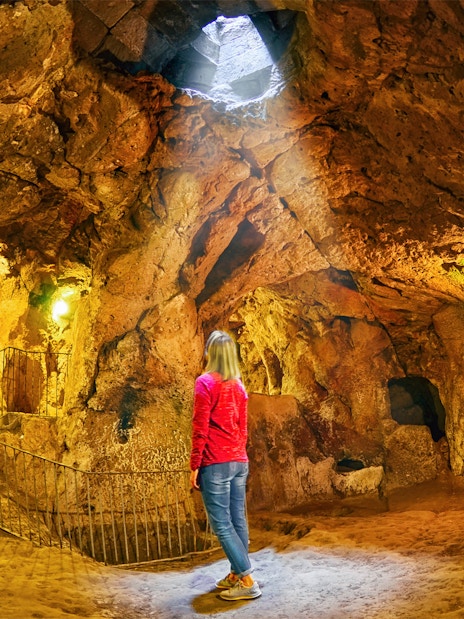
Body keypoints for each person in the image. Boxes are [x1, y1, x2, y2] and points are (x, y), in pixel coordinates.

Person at [190, 330, 261, 601]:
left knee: (221, 524)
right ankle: (235, 574)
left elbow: (201, 427)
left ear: (210, 353)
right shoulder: (239, 386)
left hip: (215, 461)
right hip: (238, 461)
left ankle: (247, 579)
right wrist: (238, 454)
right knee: (238, 519)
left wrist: (195, 464)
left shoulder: (205, 383)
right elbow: (243, 428)